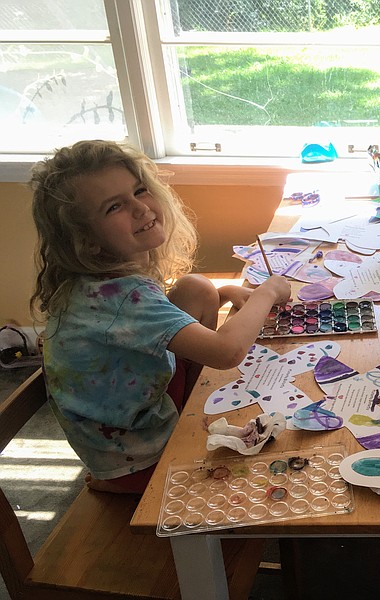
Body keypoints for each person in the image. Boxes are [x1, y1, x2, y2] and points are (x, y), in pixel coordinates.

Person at [29, 140, 291, 494]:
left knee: (196, 287)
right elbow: (226, 352)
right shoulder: (122, 297)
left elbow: (144, 324)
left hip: (127, 417)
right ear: (87, 240)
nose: (140, 208)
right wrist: (267, 292)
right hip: (136, 459)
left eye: (139, 191)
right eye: (115, 207)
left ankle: (193, 410)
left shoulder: (102, 283)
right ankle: (182, 433)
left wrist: (225, 292)